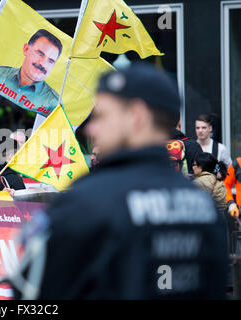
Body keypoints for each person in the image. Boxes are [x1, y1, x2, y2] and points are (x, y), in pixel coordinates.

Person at [30, 64, 228, 299]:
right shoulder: (204, 208)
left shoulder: (86, 203)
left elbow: (36, 292)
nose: (91, 128)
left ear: (136, 116)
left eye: (102, 116)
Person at [0, 29, 63, 116]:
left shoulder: (54, 103)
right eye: (40, 54)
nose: (42, 64)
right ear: (26, 49)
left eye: (51, 61)